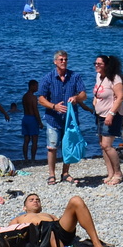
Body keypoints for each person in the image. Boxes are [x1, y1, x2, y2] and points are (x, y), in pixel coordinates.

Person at [5, 191, 110, 247]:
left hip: (57, 231)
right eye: (31, 200)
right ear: (24, 207)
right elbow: (10, 234)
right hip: (40, 234)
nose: (35, 201)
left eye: (38, 200)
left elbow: (60, 224)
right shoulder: (19, 218)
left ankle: (97, 243)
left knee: (76, 200)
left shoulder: (48, 215)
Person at [37, 50, 86, 186]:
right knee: (52, 147)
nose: (63, 62)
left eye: (65, 59)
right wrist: (54, 106)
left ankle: (65, 173)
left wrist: (76, 98)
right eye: (61, 59)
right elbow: (40, 99)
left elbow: (84, 94)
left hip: (70, 119)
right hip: (53, 118)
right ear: (55, 62)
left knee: (68, 146)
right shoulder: (48, 78)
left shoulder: (75, 76)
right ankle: (51, 174)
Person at [93, 55, 123, 185]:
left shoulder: (115, 78)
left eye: (100, 64)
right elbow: (99, 92)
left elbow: (120, 97)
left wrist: (111, 113)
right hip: (100, 115)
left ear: (106, 65)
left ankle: (118, 173)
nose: (97, 65)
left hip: (112, 115)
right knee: (102, 146)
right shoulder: (99, 77)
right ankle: (110, 172)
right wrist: (95, 101)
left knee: (107, 145)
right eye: (95, 63)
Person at [20, 79, 42, 161]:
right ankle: (33, 158)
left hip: (25, 117)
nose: (37, 88)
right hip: (32, 118)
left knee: (26, 140)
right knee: (34, 140)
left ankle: (25, 158)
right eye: (36, 86)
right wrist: (40, 122)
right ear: (31, 86)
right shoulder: (33, 97)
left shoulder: (24, 96)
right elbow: (35, 110)